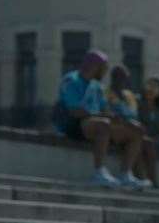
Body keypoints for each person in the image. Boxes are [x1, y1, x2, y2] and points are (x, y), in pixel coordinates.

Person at [53, 50, 146, 188]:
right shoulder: (71, 80)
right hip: (72, 124)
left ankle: (126, 174)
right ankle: (99, 172)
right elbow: (75, 111)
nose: (105, 72)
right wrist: (104, 116)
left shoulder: (97, 86)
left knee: (137, 130)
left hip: (94, 123)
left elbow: (104, 109)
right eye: (104, 68)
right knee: (103, 124)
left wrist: (120, 120)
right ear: (95, 66)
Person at [103, 65, 152, 190]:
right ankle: (127, 174)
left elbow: (134, 114)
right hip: (115, 128)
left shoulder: (129, 96)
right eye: (119, 78)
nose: (122, 81)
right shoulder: (106, 93)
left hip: (131, 128)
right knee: (137, 135)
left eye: (124, 79)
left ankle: (144, 179)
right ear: (113, 78)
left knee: (146, 142)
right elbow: (107, 113)